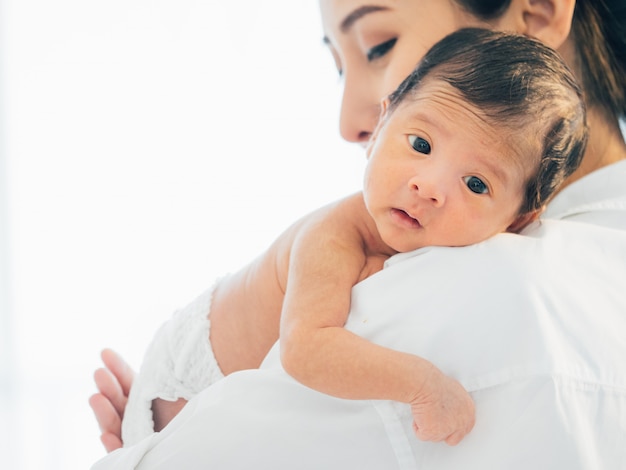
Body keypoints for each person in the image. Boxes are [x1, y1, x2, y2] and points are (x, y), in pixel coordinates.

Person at [90, 0, 626, 467]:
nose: (349, 123)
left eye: (378, 45)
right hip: (178, 388)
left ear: (520, 217)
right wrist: (422, 385)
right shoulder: (340, 231)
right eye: (419, 145)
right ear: (395, 118)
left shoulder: (512, 276)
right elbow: (306, 347)